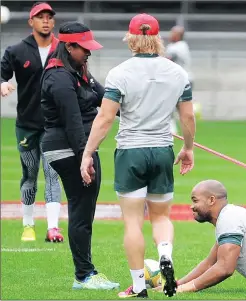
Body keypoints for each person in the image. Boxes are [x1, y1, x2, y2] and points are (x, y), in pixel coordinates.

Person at [79, 13, 196, 299]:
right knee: (160, 217)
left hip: (131, 151)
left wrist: (88, 153)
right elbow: (188, 116)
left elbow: (105, 119)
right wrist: (188, 148)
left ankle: (140, 286)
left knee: (133, 222)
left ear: (131, 38)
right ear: (157, 38)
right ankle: (165, 254)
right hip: (162, 150)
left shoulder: (120, 72)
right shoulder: (177, 73)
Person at [40, 20, 119, 290]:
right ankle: (84, 275)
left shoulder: (78, 70)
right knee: (81, 209)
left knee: (84, 208)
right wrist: (85, 158)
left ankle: (85, 273)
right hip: (69, 148)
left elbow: (104, 97)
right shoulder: (59, 77)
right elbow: (73, 122)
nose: (89, 52)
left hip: (81, 147)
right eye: (84, 48)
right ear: (68, 45)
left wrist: (138, 115)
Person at [0, 1, 63, 243]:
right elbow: (2, 72)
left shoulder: (63, 49)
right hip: (26, 124)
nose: (45, 20)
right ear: (31, 22)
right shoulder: (16, 50)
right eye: (40, 16)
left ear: (53, 21)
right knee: (29, 174)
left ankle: (53, 227)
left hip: (54, 125)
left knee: (52, 173)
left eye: (49, 16)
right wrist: (3, 83)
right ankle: (28, 224)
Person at [165, 25, 193, 136]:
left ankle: (172, 131)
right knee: (180, 109)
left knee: (168, 106)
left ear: (178, 35)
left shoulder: (176, 47)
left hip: (178, 81)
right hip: (184, 80)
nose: (170, 35)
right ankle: (179, 131)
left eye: (173, 33)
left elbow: (168, 59)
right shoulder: (183, 45)